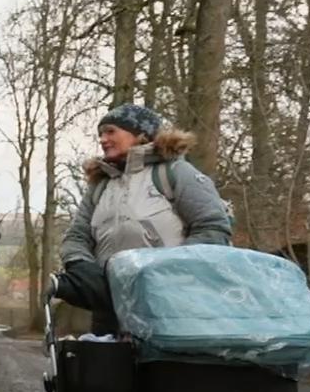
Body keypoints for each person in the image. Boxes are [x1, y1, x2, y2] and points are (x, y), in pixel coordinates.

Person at [57, 104, 232, 334]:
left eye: (110, 132)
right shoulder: (100, 186)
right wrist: (81, 266)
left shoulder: (176, 173)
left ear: (140, 134)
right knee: (105, 358)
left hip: (170, 307)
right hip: (110, 308)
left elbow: (213, 228)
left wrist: (171, 272)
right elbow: (76, 236)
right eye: (100, 133)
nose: (103, 139)